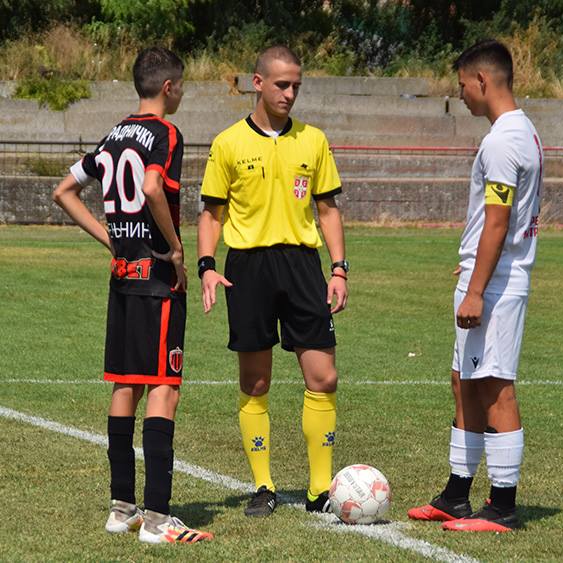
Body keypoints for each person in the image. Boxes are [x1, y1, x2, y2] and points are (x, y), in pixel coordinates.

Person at [53, 46, 213, 544]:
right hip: (156, 280)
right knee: (164, 385)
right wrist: (176, 249)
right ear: (168, 87)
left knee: (126, 384)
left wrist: (111, 239)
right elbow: (150, 187)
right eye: (182, 85)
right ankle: (160, 519)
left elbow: (63, 191)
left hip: (123, 276)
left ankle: (122, 508)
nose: (182, 93)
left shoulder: (113, 135)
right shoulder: (165, 134)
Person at [198, 45, 348, 517]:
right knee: (256, 381)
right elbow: (211, 213)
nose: (290, 93)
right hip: (248, 268)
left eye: (297, 86)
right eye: (282, 84)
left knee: (323, 377)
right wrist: (206, 265)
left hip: (303, 266)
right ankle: (263, 486)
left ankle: (319, 489)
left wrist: (339, 268)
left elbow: (327, 209)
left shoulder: (314, 140)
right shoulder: (227, 143)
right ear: (257, 83)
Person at [407, 39, 543, 532]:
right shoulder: (519, 131)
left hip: (498, 286)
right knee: (464, 380)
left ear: (482, 81)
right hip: (488, 277)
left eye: (463, 84)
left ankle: (502, 506)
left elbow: (499, 221)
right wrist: (470, 272)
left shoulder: (504, 140)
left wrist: (477, 287)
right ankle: (456, 495)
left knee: (494, 386)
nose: (460, 94)